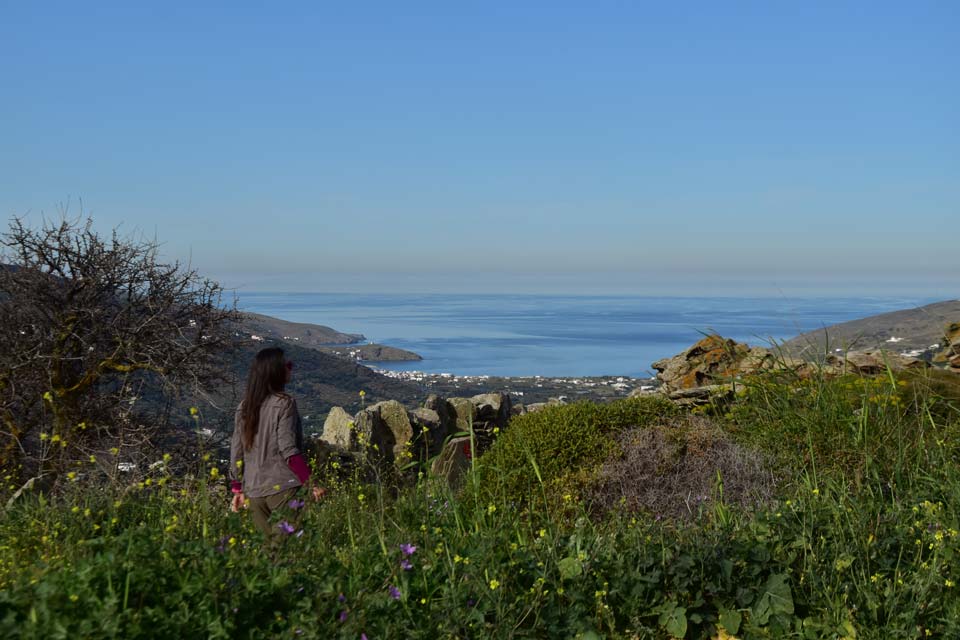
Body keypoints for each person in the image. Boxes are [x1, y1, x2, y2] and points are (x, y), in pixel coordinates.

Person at [229, 347, 324, 537]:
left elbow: (236, 451)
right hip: (283, 487)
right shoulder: (285, 403)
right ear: (276, 371)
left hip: (253, 490)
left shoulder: (244, 406)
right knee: (284, 550)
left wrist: (237, 488)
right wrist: (310, 483)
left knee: (268, 554)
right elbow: (288, 449)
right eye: (287, 365)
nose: (291, 368)